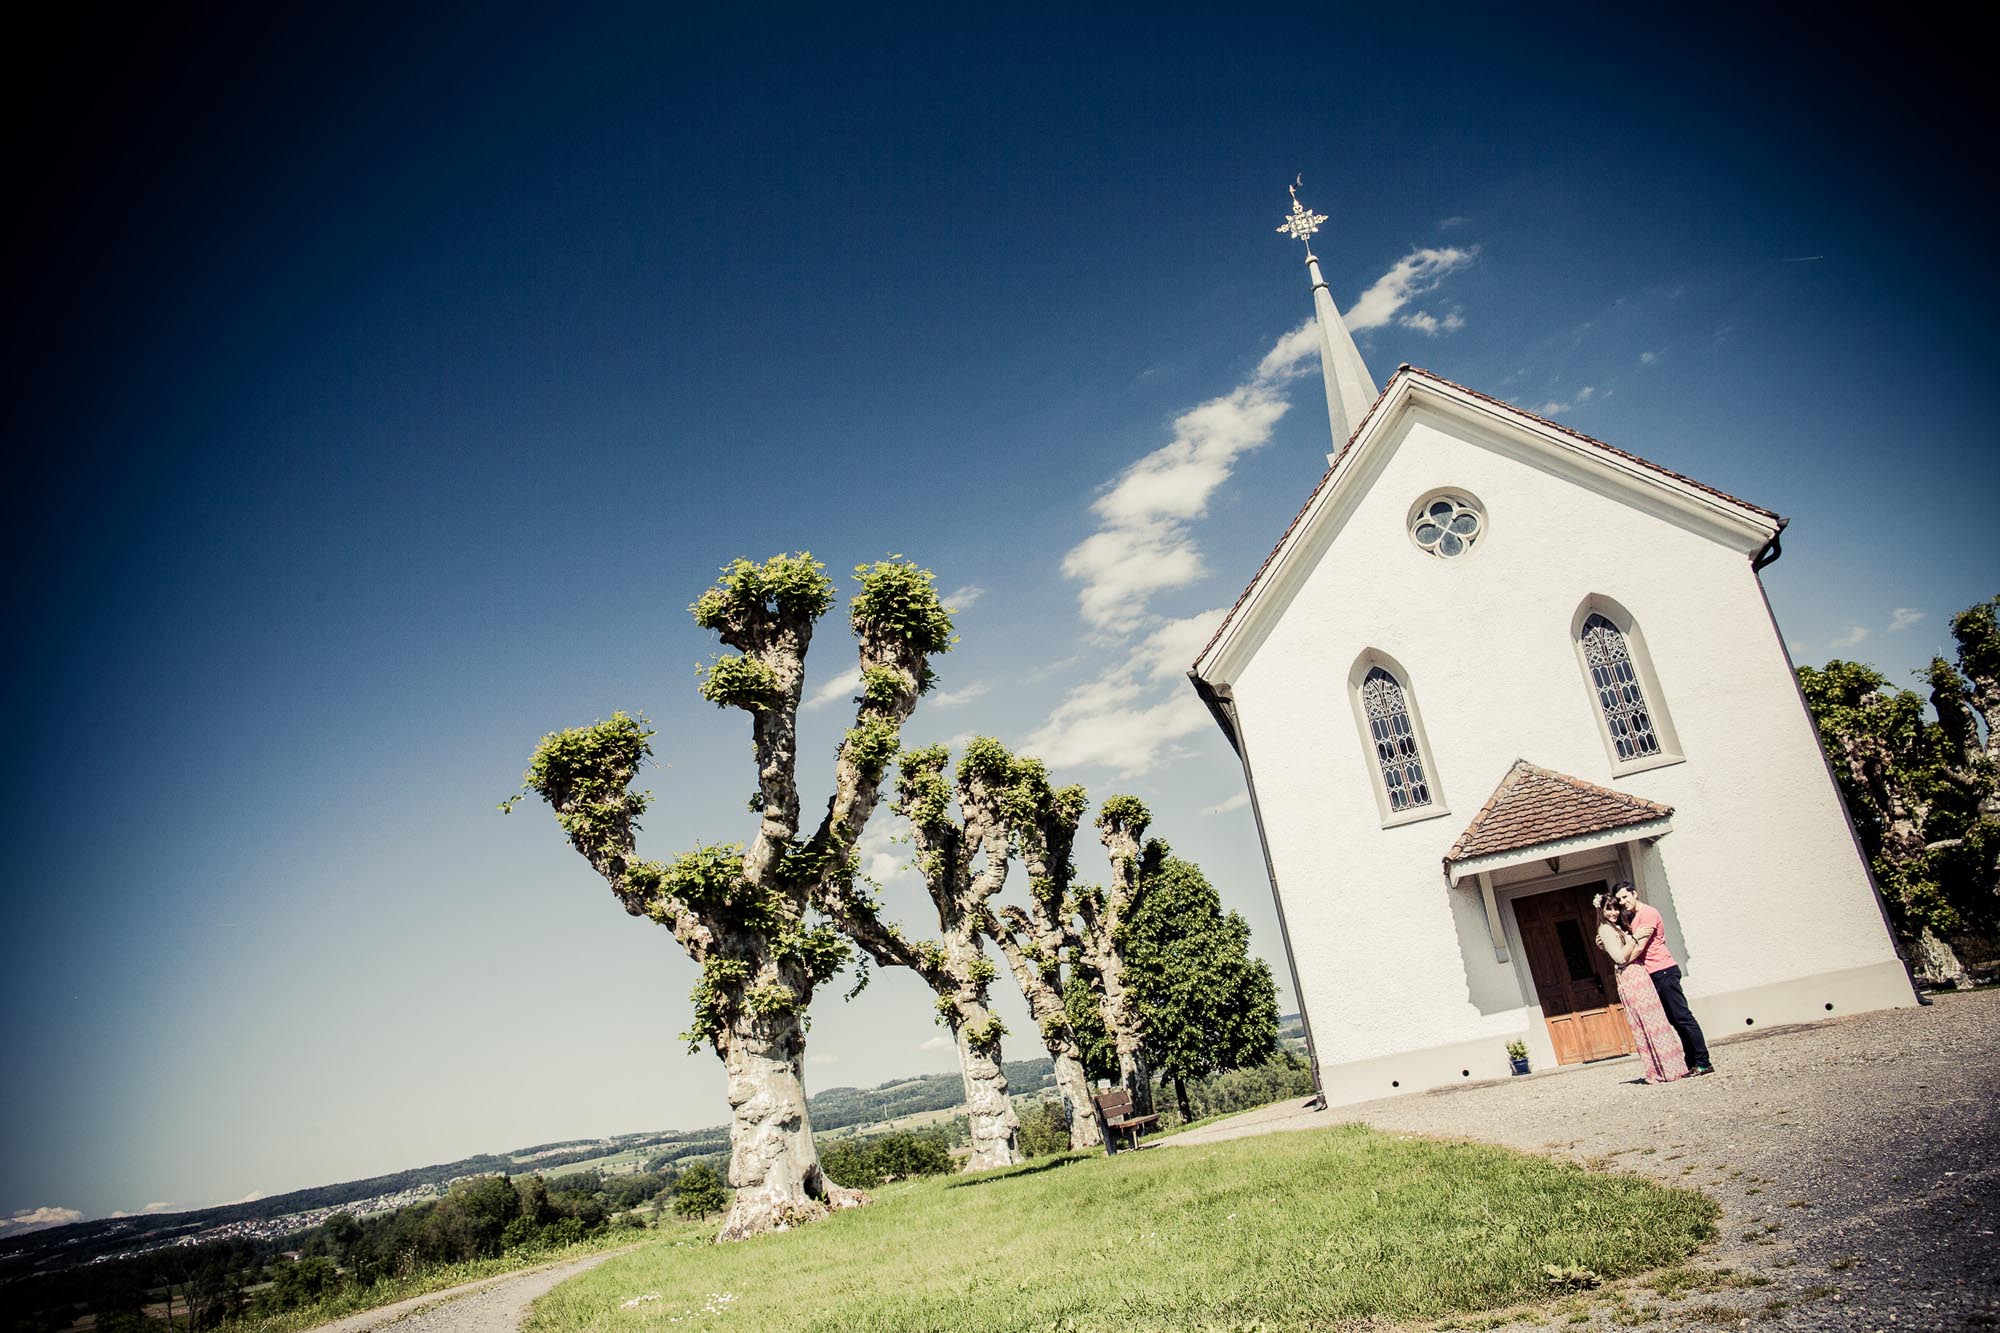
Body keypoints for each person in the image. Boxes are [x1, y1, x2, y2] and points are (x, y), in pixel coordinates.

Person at [1612, 880, 1713, 1076]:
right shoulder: (1633, 918)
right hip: (1653, 974)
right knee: (1675, 1021)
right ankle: (1691, 1062)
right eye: (1619, 899)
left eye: (1625, 897)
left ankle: (1703, 1062)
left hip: (1664, 970)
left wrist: (1622, 964)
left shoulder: (1648, 914)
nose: (1623, 902)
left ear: (1635, 893)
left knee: (1683, 1018)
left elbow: (1640, 946)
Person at [1594, 893, 1687, 1084]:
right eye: (1609, 908)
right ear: (1601, 910)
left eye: (1616, 908)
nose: (1613, 912)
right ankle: (1662, 1070)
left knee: (1656, 1021)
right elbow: (1619, 958)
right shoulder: (1605, 929)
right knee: (1647, 1023)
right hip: (1630, 976)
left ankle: (1673, 1066)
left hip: (1639, 973)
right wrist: (1635, 938)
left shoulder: (1616, 926)